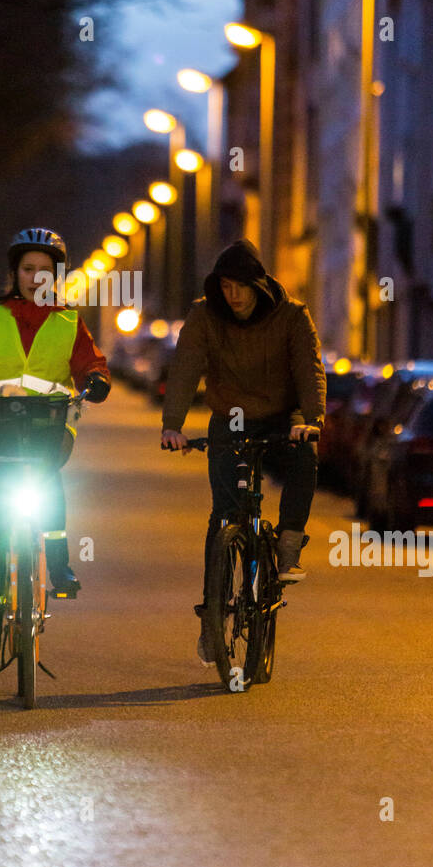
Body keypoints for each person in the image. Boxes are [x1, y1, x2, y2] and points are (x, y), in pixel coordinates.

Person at [0, 227, 111, 674]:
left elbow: (90, 362)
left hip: (47, 428)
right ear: (15, 273)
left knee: (48, 480)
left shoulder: (69, 321)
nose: (35, 277)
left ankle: (58, 564)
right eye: (28, 269)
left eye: (45, 270)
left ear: (56, 276)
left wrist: (96, 381)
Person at [159, 239, 325, 664]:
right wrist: (173, 426)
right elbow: (185, 367)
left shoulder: (291, 316)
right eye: (225, 286)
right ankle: (213, 618)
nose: (232, 295)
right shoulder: (204, 316)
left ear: (258, 285)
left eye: (240, 287)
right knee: (223, 518)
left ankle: (288, 544)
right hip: (230, 420)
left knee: (305, 458)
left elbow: (309, 368)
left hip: (280, 418)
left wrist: (312, 419)